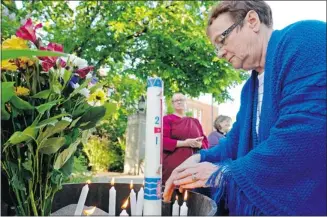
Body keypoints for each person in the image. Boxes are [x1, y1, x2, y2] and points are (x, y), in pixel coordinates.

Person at [163, 1, 326, 216]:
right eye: (216, 47)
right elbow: (234, 141)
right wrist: (199, 158)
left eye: (222, 40)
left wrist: (225, 172)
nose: (220, 53)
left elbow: (308, 133)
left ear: (252, 21)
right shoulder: (250, 87)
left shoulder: (305, 38)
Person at [162, 93, 209, 185]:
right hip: (173, 164)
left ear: (186, 102)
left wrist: (199, 144)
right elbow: (163, 141)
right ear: (172, 104)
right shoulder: (167, 119)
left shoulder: (195, 121)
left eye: (181, 100)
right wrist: (185, 143)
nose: (179, 102)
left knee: (192, 195)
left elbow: (205, 142)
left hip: (194, 165)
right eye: (176, 100)